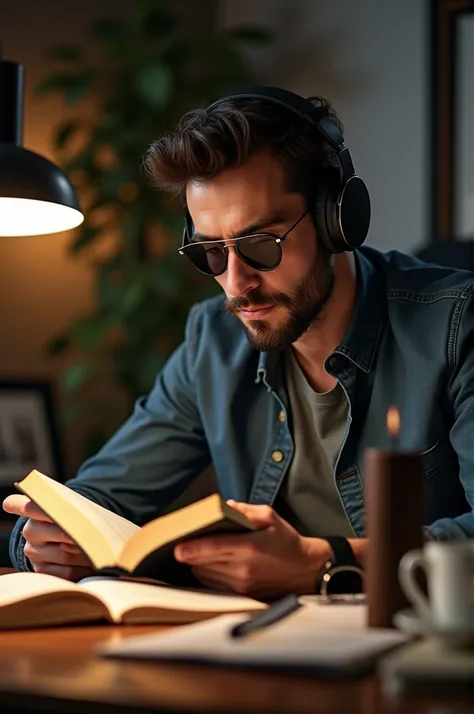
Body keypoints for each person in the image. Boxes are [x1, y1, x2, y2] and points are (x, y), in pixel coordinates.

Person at [4, 87, 474, 598]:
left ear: (336, 219)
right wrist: (45, 541)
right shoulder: (213, 341)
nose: (235, 282)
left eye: (259, 245)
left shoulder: (456, 325)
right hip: (263, 649)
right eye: (210, 252)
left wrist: (325, 563)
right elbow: (95, 500)